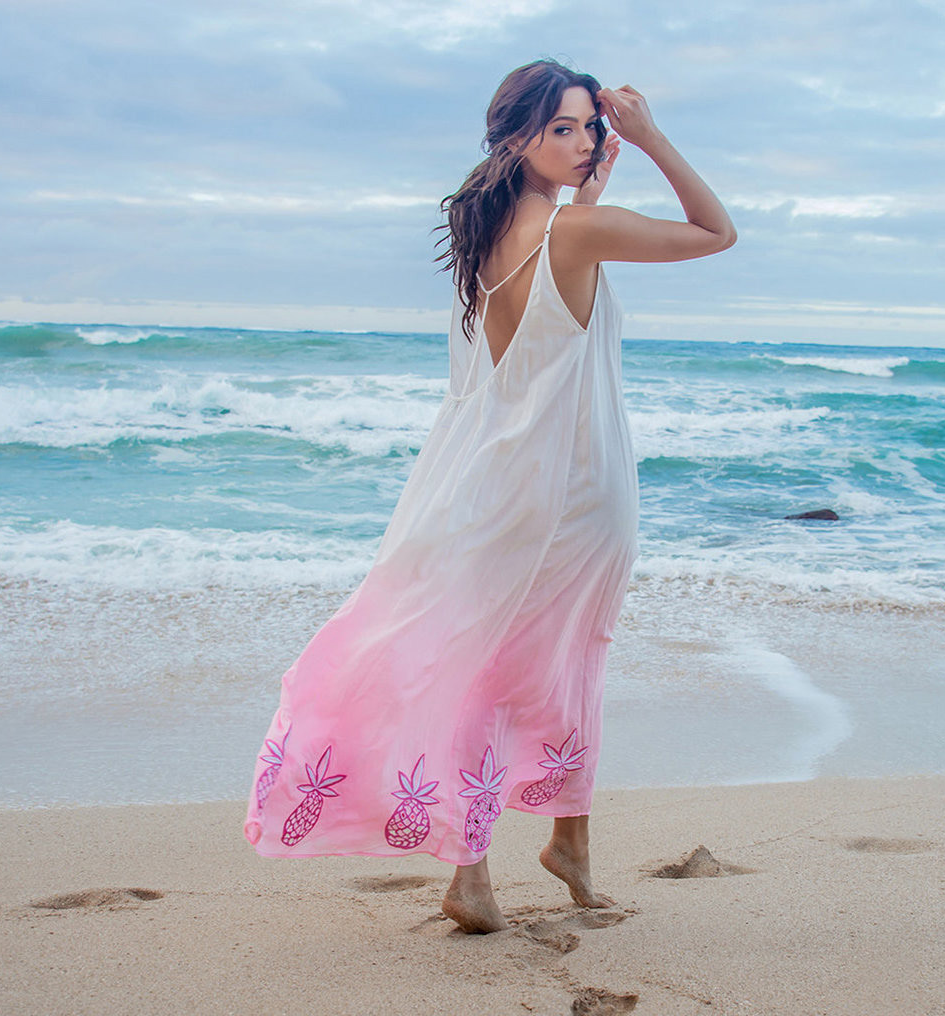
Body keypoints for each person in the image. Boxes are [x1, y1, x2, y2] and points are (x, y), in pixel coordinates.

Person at [242, 58, 734, 935]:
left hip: (487, 487)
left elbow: (548, 315)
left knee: (484, 672)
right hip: (572, 492)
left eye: (593, 127)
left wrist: (586, 194)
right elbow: (715, 231)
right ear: (517, 138)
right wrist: (652, 137)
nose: (586, 142)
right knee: (569, 661)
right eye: (564, 130)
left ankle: (477, 873)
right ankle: (566, 845)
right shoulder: (576, 233)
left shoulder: (489, 233)